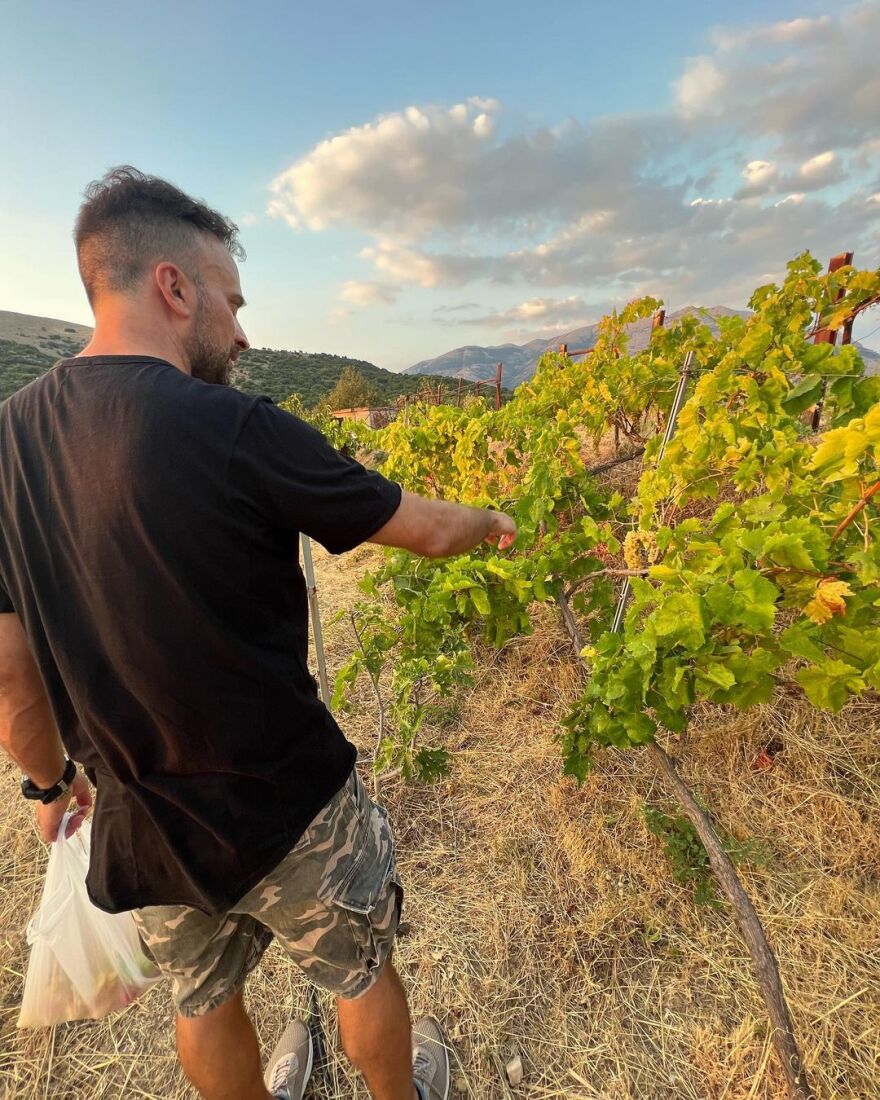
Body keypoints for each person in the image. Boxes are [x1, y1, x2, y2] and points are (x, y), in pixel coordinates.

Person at [0, 167, 517, 1100]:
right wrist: (497, 520)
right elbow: (432, 531)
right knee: (359, 973)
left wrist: (47, 784)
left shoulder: (5, 449)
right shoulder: (236, 425)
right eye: (231, 303)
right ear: (173, 286)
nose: (242, 332)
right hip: (290, 805)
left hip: (139, 822)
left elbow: (9, 672)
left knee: (201, 1001)